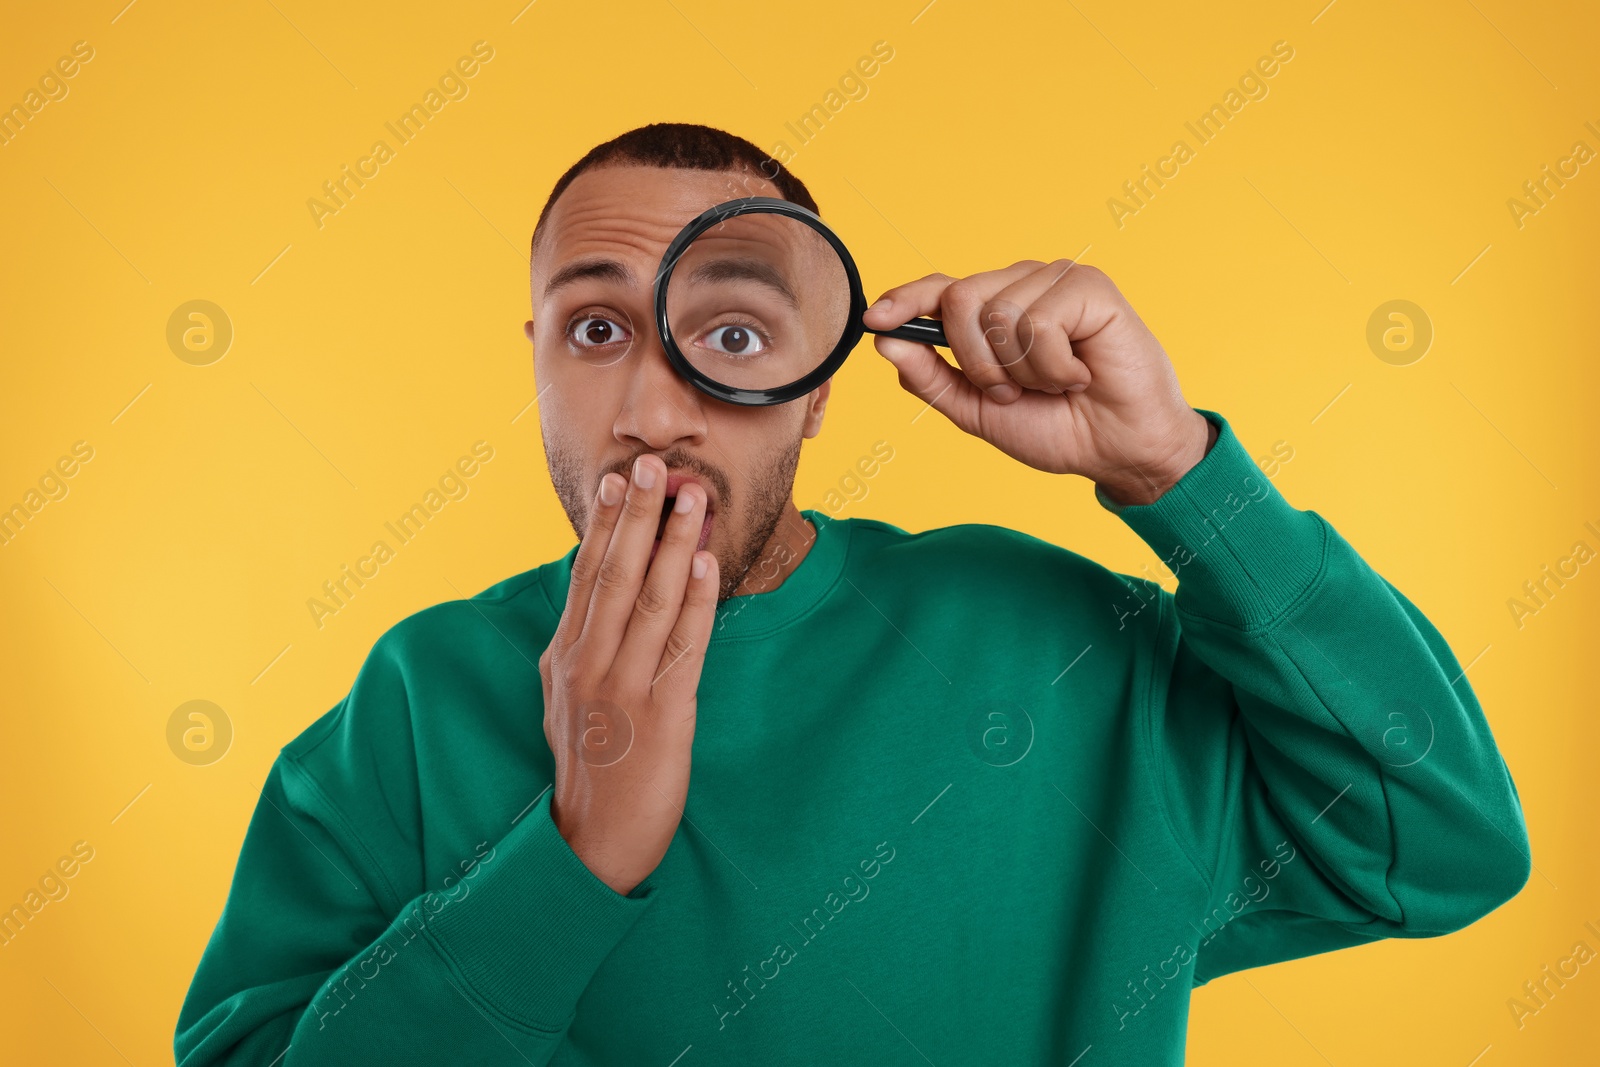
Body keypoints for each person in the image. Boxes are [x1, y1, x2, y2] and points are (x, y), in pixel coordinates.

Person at [175, 123, 1530, 1066]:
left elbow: (1444, 839)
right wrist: (576, 859)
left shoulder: (1053, 646)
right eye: (596, 331)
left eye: (735, 333)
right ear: (535, 361)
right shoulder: (414, 704)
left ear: (818, 381)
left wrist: (1178, 473)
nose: (653, 407)